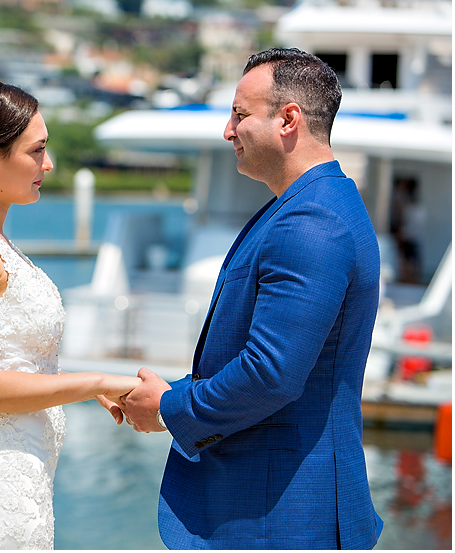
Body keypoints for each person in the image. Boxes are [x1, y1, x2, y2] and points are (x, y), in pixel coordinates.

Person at [116, 48, 384, 548]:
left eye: (239, 114)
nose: (227, 130)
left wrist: (171, 408)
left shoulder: (312, 221)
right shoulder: (303, 208)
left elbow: (270, 373)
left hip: (282, 515)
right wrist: (168, 391)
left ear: (288, 119)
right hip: (274, 505)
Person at [0, 77, 140, 550]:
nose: (50, 163)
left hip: (21, 477)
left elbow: (19, 359)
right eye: (37, 150)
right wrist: (97, 383)